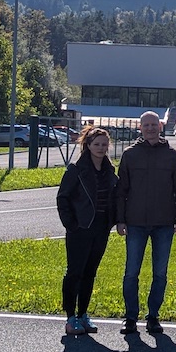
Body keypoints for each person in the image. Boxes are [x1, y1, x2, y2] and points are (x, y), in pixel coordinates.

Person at [115, 111, 176, 335]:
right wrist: (120, 220)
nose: (150, 128)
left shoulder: (172, 155)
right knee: (131, 273)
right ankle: (130, 317)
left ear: (160, 126)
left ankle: (153, 316)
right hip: (135, 223)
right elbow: (121, 191)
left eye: (153, 125)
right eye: (146, 125)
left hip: (164, 224)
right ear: (140, 128)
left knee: (160, 273)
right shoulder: (130, 155)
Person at [55, 125, 117, 337]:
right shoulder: (76, 170)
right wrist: (71, 224)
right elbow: (63, 198)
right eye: (96, 144)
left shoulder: (110, 171)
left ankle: (83, 314)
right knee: (75, 272)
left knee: (90, 272)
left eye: (104, 144)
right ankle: (70, 317)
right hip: (80, 228)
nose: (100, 148)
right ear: (88, 145)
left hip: (101, 228)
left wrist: (114, 221)